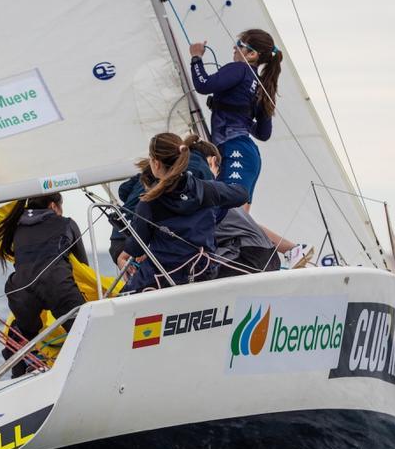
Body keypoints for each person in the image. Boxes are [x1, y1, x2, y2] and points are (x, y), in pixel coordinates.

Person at [189, 29, 313, 269]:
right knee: (236, 219)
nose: (235, 48)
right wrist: (235, 111)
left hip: (234, 151)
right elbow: (263, 132)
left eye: (240, 44)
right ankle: (254, 260)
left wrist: (196, 57)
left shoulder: (239, 69)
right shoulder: (260, 83)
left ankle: (293, 250)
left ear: (252, 54)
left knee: (229, 214)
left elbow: (203, 84)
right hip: (246, 153)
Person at [116, 133, 247, 291]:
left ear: (156, 163)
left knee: (119, 297)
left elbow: (137, 246)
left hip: (163, 278)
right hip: (202, 273)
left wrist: (123, 256)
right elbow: (241, 195)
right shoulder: (207, 189)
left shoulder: (149, 203)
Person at [0, 193, 87, 378]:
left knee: (24, 332)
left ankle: (23, 372)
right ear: (53, 206)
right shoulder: (66, 223)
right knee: (84, 329)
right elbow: (83, 267)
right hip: (57, 284)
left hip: (21, 289)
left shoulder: (15, 226)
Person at [108, 135, 219, 264]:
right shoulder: (200, 169)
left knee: (139, 282)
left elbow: (123, 190)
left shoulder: (154, 169)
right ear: (213, 161)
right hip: (140, 241)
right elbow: (210, 211)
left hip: (119, 236)